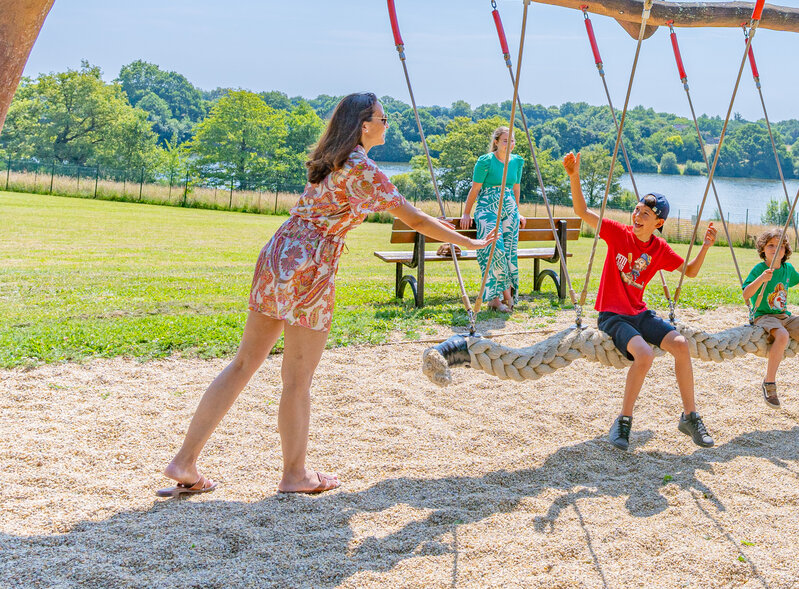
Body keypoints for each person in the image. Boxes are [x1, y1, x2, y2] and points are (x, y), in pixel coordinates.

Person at [158, 93, 495, 497]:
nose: (388, 124)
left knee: (244, 363)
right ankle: (295, 474)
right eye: (382, 118)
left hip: (281, 251)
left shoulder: (331, 160)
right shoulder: (361, 168)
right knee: (297, 378)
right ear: (364, 125)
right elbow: (415, 218)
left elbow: (404, 214)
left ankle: (185, 460)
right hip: (312, 264)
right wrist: (469, 244)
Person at [562, 151, 718, 451]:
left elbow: (691, 271)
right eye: (636, 210)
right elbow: (582, 211)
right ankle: (623, 420)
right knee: (644, 355)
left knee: (681, 344)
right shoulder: (618, 233)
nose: (637, 216)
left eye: (645, 214)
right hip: (613, 316)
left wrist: (705, 246)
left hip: (639, 314)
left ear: (658, 222)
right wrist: (574, 175)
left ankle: (690, 416)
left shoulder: (659, 248)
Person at [742, 228, 799, 407]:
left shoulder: (787, 268)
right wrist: (761, 279)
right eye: (771, 245)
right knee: (783, 335)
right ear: (762, 249)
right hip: (763, 316)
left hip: (784, 316)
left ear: (785, 251)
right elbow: (746, 294)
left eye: (780, 246)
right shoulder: (759, 269)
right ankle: (769, 382)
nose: (775, 249)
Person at [461, 126, 525, 313]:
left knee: (509, 253)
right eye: (505, 141)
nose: (510, 144)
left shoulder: (517, 162)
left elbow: (516, 189)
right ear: (496, 142)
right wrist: (466, 213)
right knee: (494, 251)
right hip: (487, 209)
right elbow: (475, 189)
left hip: (510, 210)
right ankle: (502, 298)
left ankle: (499, 300)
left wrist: (518, 211)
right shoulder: (486, 161)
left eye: (512, 140)